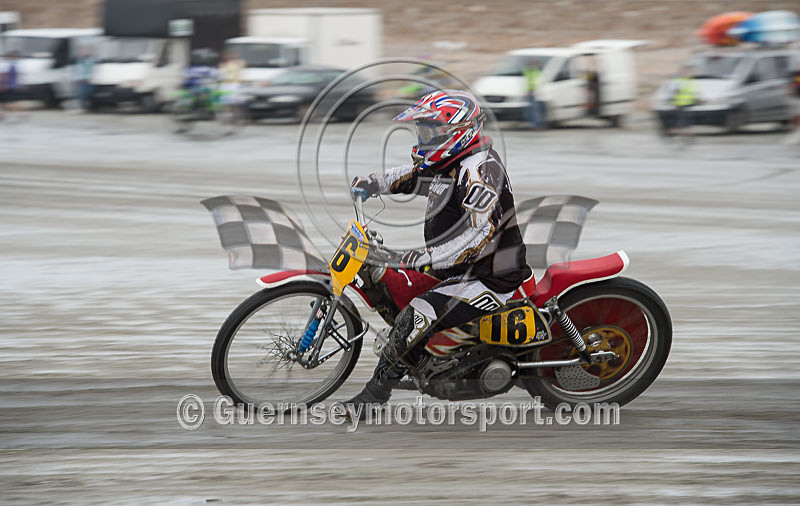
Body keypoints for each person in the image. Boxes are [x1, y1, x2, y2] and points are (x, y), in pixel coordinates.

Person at [346, 90, 531, 416]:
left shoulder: (479, 172)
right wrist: (374, 183)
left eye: (431, 131)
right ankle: (418, 350)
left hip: (490, 276)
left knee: (415, 313)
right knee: (380, 276)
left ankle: (375, 395)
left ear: (457, 132)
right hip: (455, 267)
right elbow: (411, 176)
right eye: (423, 131)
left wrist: (423, 258)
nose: (424, 138)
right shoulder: (451, 161)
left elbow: (477, 237)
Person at [670, 65, 697, 136]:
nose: (692, 74)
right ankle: (681, 130)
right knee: (682, 117)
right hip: (681, 103)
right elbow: (675, 91)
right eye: (689, 72)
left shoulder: (689, 81)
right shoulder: (680, 81)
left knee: (687, 117)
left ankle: (686, 130)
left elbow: (693, 91)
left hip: (688, 102)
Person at [523, 59, 545, 129]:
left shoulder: (536, 72)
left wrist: (534, 91)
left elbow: (537, 82)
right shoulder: (527, 72)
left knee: (536, 110)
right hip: (529, 92)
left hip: (534, 93)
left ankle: (537, 125)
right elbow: (526, 82)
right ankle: (534, 124)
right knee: (532, 110)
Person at [0, 50, 22, 120]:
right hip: (11, 86)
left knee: (11, 102)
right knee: (8, 102)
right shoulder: (15, 64)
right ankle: (2, 115)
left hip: (6, 86)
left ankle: (24, 112)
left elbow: (3, 75)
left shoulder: (8, 64)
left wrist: (2, 84)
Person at [73, 47, 95, 112]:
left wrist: (89, 78)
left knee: (86, 94)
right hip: (81, 80)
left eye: (86, 51)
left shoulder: (90, 60)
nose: (83, 53)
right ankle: (83, 107)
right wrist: (76, 78)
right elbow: (78, 70)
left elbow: (90, 70)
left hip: (87, 80)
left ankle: (86, 107)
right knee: (81, 94)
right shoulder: (80, 60)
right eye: (82, 51)